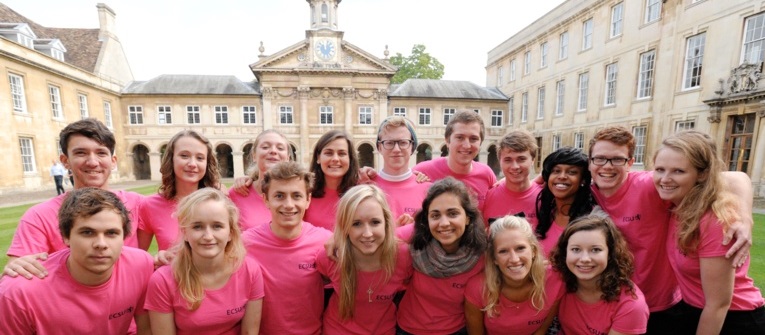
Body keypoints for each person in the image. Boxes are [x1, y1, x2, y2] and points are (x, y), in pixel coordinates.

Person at [587, 125, 753, 334]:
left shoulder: (652, 185)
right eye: (599, 158)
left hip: (667, 307)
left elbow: (736, 178)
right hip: (618, 301)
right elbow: (551, 181)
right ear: (590, 162)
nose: (607, 166)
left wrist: (745, 219)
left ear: (630, 163)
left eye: (618, 159)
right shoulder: (586, 193)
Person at [653, 131, 765, 334]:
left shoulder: (713, 221)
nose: (665, 179)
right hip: (696, 310)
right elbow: (736, 176)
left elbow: (718, 304)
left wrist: (745, 219)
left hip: (735, 319)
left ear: (702, 174)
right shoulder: (679, 204)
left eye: (678, 171)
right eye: (660, 169)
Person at [0, 188, 154, 334]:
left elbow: (145, 329)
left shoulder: (141, 265)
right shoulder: (19, 293)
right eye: (87, 232)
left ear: (124, 236)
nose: (101, 244)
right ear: (66, 236)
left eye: (111, 233)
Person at [4, 118, 143, 278]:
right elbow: (18, 273)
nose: (92, 162)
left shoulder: (138, 204)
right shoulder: (38, 216)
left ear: (113, 161)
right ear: (65, 161)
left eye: (101, 153)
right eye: (81, 153)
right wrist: (17, 266)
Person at [145, 188, 264, 334]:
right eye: (197, 227)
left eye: (217, 226)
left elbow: (249, 332)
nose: (208, 236)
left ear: (230, 233)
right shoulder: (163, 280)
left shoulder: (249, 270)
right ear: (185, 233)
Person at [242, 161, 332, 334]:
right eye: (279, 196)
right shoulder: (245, 243)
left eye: (297, 196)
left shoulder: (325, 240)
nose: (289, 205)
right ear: (266, 200)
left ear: (308, 200)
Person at [317, 184, 412, 334]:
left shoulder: (403, 256)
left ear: (386, 222)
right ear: (345, 226)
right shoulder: (332, 257)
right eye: (356, 224)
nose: (367, 234)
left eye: (375, 222)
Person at [397, 177, 487, 335]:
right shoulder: (413, 237)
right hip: (408, 329)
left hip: (456, 331)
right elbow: (375, 242)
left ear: (467, 217)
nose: (444, 223)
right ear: (427, 219)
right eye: (435, 215)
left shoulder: (482, 254)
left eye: (453, 214)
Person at [464, 215, 564, 335]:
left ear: (533, 251)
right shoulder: (478, 288)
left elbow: (541, 330)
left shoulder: (555, 279)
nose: (514, 259)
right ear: (494, 258)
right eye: (503, 251)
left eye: (520, 248)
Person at [550, 214, 649, 335]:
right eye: (576, 249)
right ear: (565, 253)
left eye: (595, 250)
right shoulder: (558, 282)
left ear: (610, 253)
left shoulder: (631, 305)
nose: (585, 258)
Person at [138, 130, 222, 252]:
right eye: (184, 156)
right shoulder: (150, 205)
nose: (192, 164)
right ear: (171, 159)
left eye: (200, 158)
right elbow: (139, 257)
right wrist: (157, 260)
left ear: (207, 163)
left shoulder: (220, 203)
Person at [413, 111, 496, 208]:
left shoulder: (486, 174)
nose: (466, 145)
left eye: (473, 139)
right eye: (460, 137)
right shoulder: (422, 172)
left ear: (480, 142)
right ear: (447, 141)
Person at [535, 147, 597, 255]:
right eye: (556, 171)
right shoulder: (544, 211)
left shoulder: (595, 219)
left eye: (572, 172)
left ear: (582, 180)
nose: (562, 176)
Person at [373, 116, 431, 228]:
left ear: (412, 146)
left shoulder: (428, 191)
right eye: (389, 143)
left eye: (403, 142)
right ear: (379, 147)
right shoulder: (365, 186)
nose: (396, 149)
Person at [229, 129, 292, 230]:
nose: (273, 151)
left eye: (280, 148)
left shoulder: (299, 194)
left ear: (288, 158)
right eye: (265, 147)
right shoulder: (237, 192)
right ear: (254, 156)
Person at [482, 130, 542, 227]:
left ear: (533, 160)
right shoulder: (488, 196)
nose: (515, 166)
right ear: (500, 162)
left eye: (521, 159)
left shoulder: (544, 197)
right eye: (508, 160)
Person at [304, 130, 360, 231]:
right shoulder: (305, 193)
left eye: (342, 153)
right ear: (318, 158)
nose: (335, 159)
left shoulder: (360, 193)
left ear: (350, 159)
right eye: (329, 153)